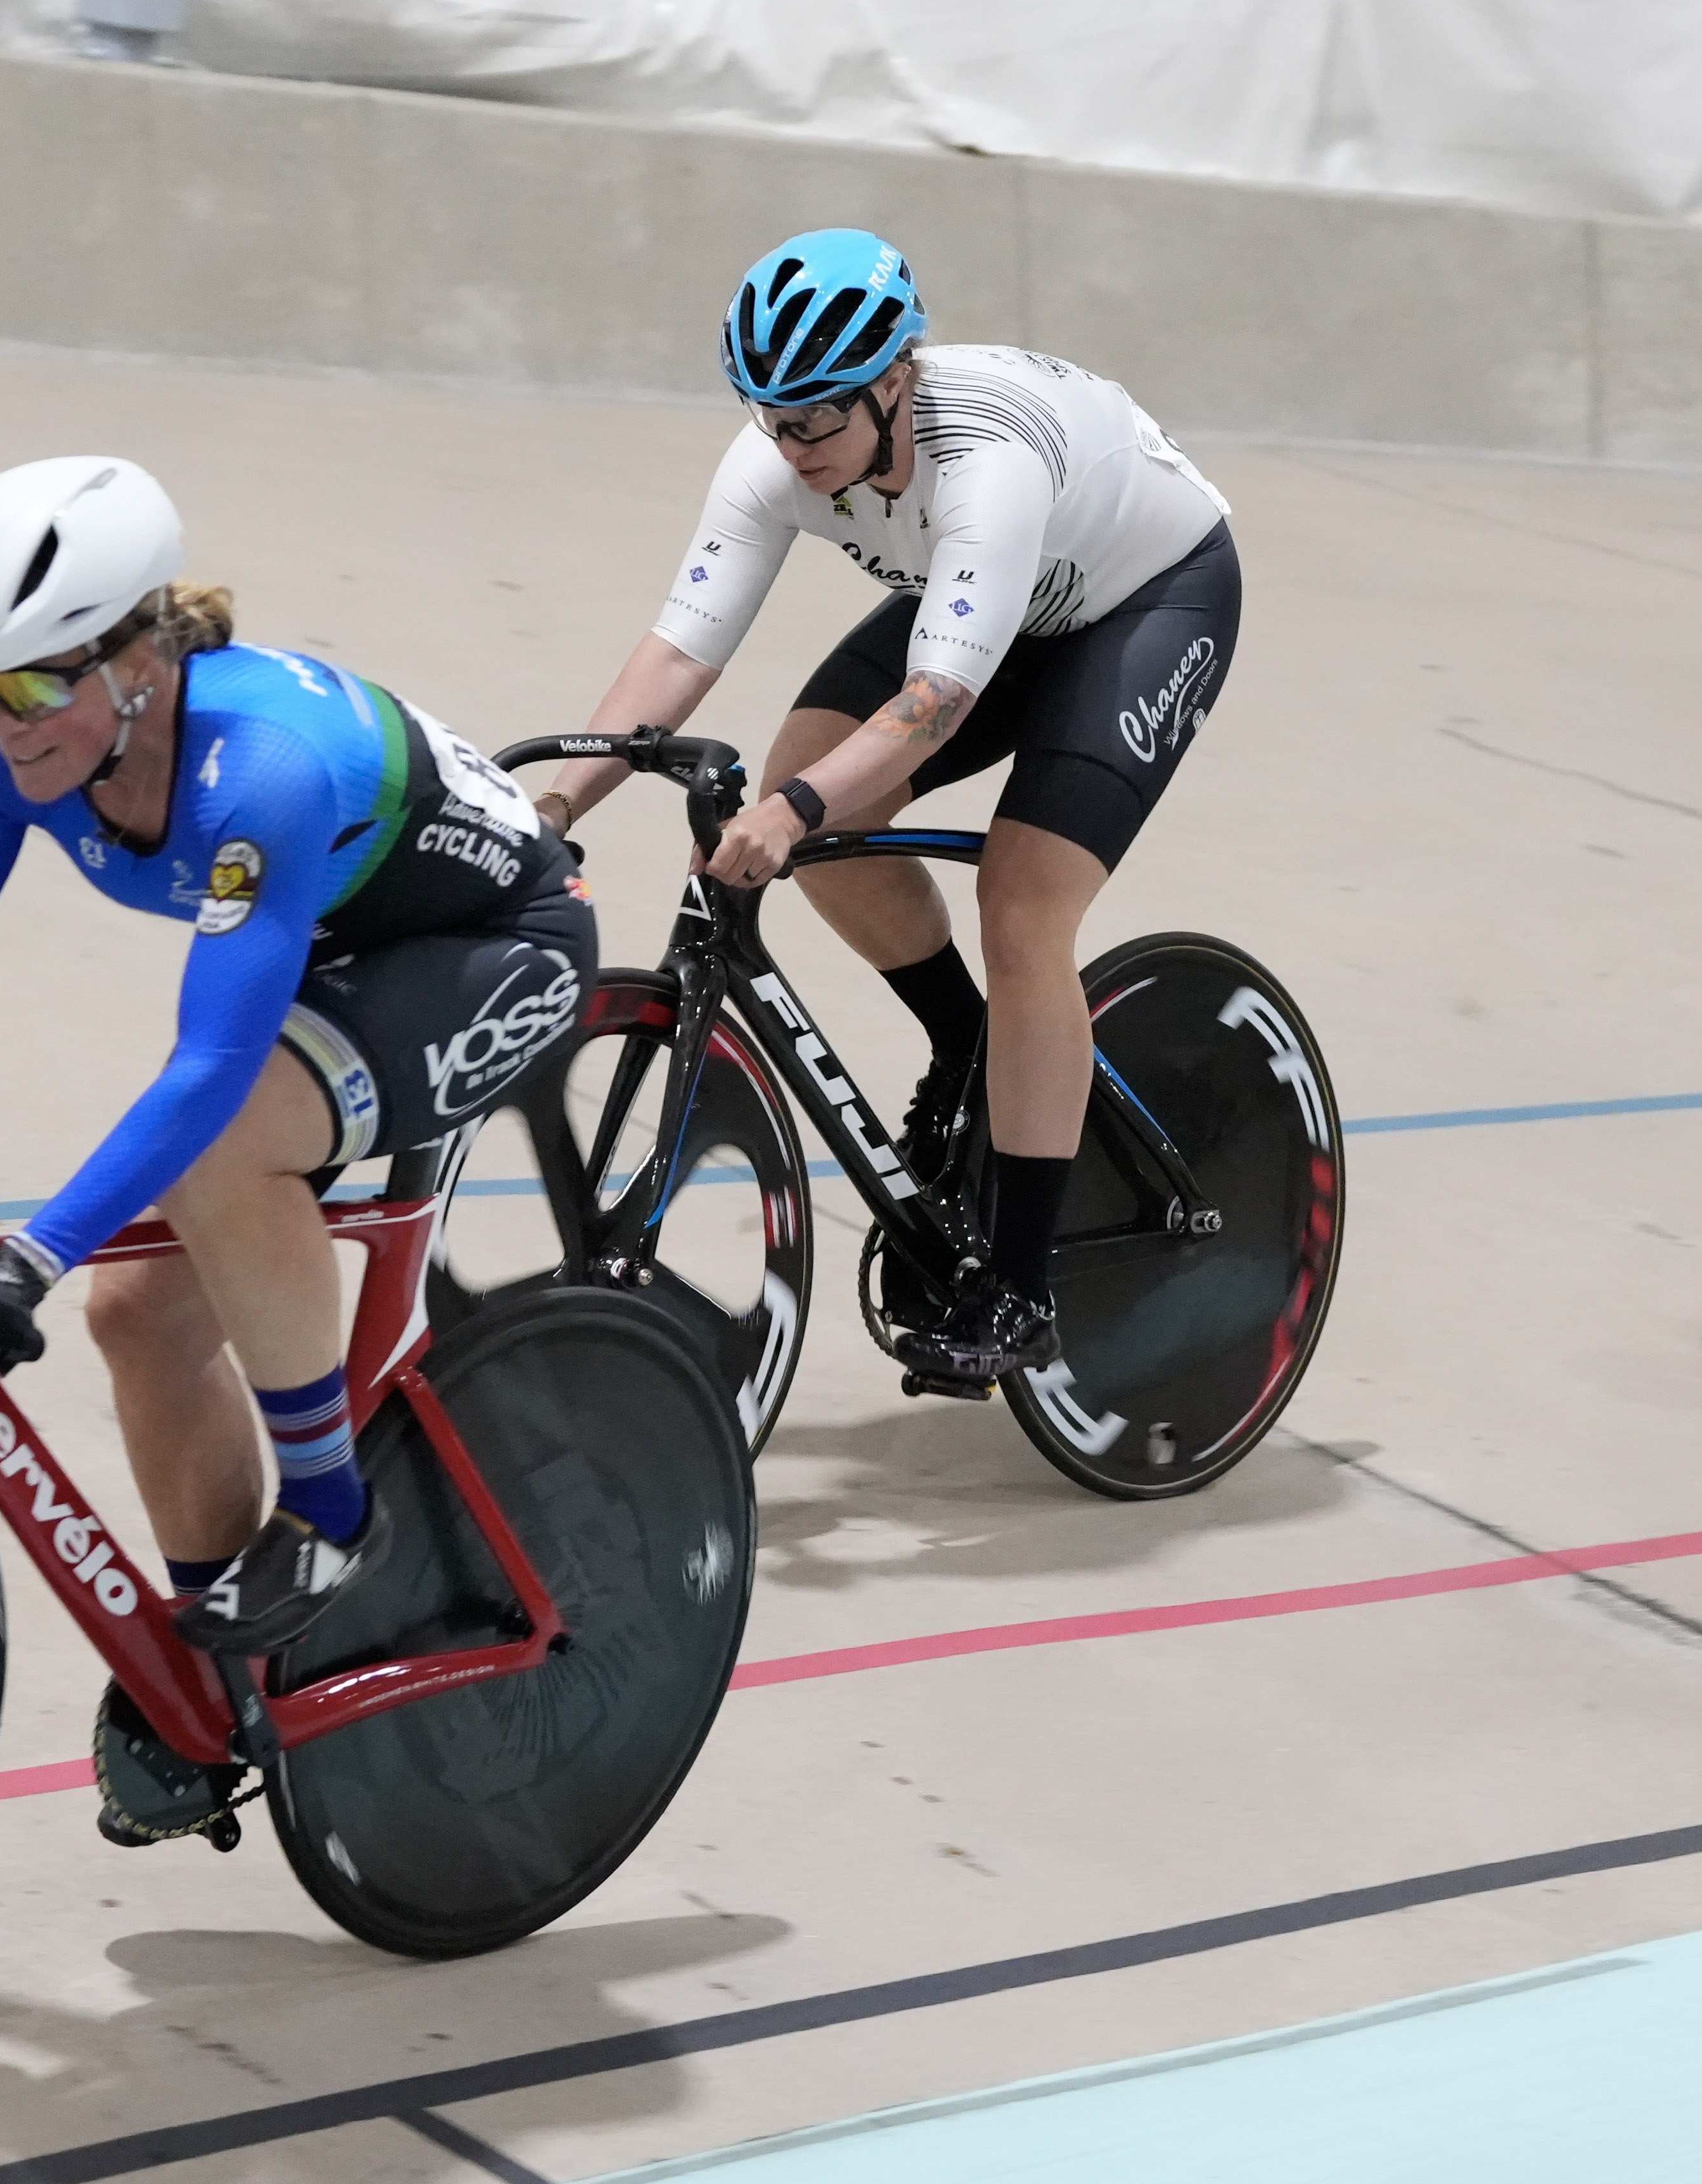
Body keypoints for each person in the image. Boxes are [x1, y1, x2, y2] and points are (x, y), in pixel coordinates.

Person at [0, 454, 592, 1842]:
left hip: (494, 948)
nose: (2, 722)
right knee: (138, 1315)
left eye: (34, 685)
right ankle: (226, 1684)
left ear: (141, 656)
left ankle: (330, 1514)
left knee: (222, 1150)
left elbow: (209, 1069)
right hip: (333, 946)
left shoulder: (258, 769)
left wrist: (30, 1256)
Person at [529, 227, 1243, 1391]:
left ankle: (1020, 1294)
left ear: (894, 382)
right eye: (772, 419)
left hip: (1144, 605)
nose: (792, 447)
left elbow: (938, 699)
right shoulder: (778, 456)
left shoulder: (987, 463)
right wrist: (560, 800)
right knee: (810, 795)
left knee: (1021, 907)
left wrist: (793, 811)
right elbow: (680, 653)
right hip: (999, 604)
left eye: (817, 421)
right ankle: (966, 1046)